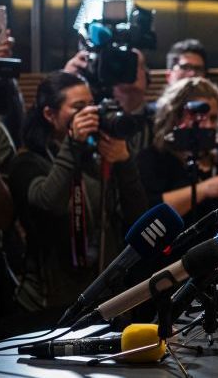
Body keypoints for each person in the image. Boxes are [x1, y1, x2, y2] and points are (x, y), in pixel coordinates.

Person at [8, 71, 147, 309]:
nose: (89, 113)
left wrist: (124, 162)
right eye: (78, 107)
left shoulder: (96, 156)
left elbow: (137, 216)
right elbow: (48, 203)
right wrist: (72, 145)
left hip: (105, 294)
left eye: (92, 105)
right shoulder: (27, 162)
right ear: (49, 114)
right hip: (49, 299)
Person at [136, 77, 218, 221]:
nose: (209, 125)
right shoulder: (151, 159)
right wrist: (204, 189)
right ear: (175, 116)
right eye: (199, 117)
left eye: (213, 118)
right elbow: (147, 211)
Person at [64, 47, 155, 156]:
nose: (122, 69)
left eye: (130, 62)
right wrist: (66, 81)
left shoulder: (160, 120)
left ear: (147, 76)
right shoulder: (87, 114)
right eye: (116, 63)